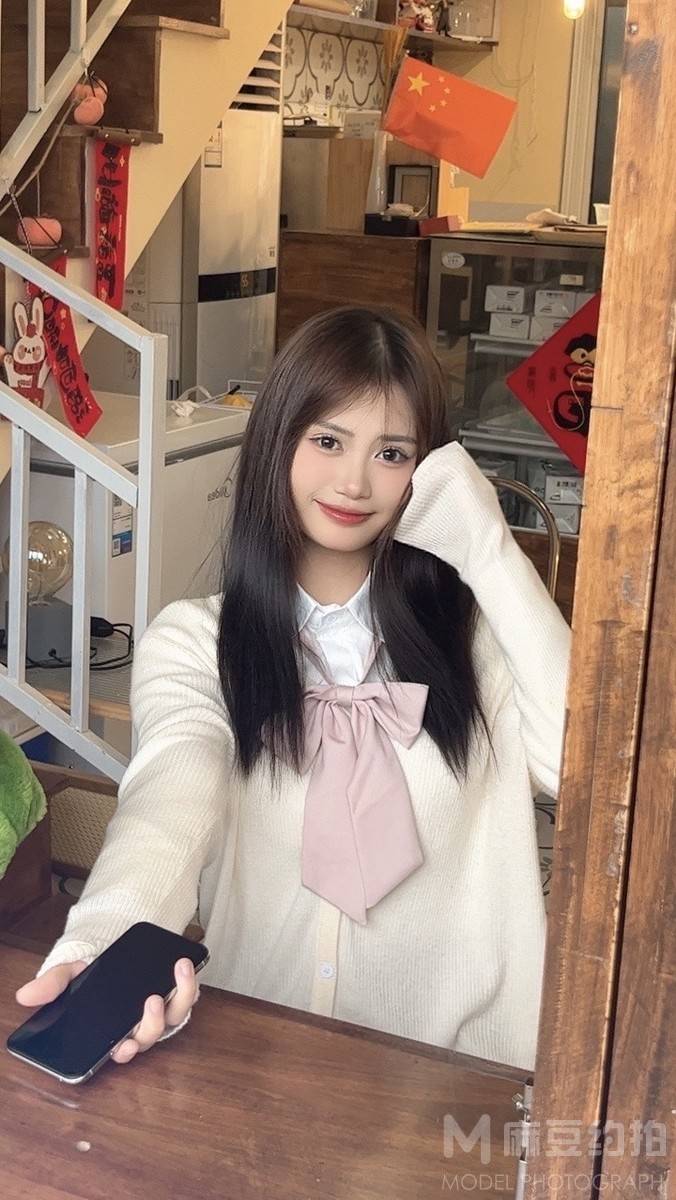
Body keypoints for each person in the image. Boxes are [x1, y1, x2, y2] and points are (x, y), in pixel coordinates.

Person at [15, 306, 571, 1071]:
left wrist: (488, 548)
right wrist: (104, 940)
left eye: (392, 452)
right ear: (279, 441)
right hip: (257, 1065)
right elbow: (170, 800)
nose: (354, 481)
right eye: (328, 441)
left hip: (458, 1081)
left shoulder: (483, 640)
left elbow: (584, 766)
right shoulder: (197, 643)